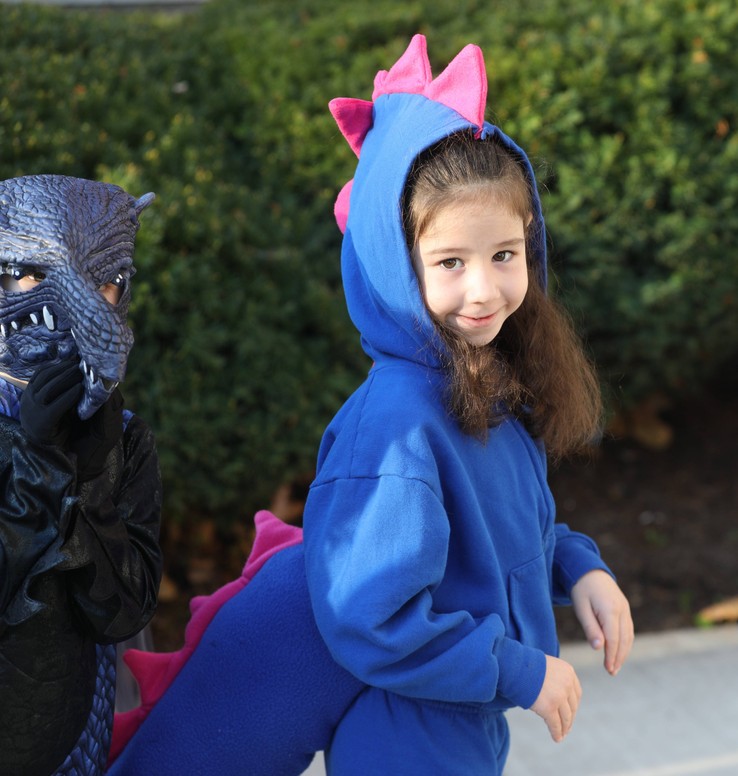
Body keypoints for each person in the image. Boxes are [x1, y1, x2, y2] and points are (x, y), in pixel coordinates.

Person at [302, 34, 634, 774]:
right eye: (449, 263)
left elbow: (499, 528)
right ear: (394, 267)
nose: (484, 290)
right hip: (405, 737)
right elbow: (369, 618)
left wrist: (579, 567)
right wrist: (518, 668)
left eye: (504, 255)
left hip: (461, 724)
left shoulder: (479, 377)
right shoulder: (394, 429)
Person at [0, 174, 162, 775]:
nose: (75, 306)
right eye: (31, 273)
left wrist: (86, 466)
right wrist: (39, 462)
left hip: (76, 741)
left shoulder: (124, 437)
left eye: (104, 282)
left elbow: (122, 610)